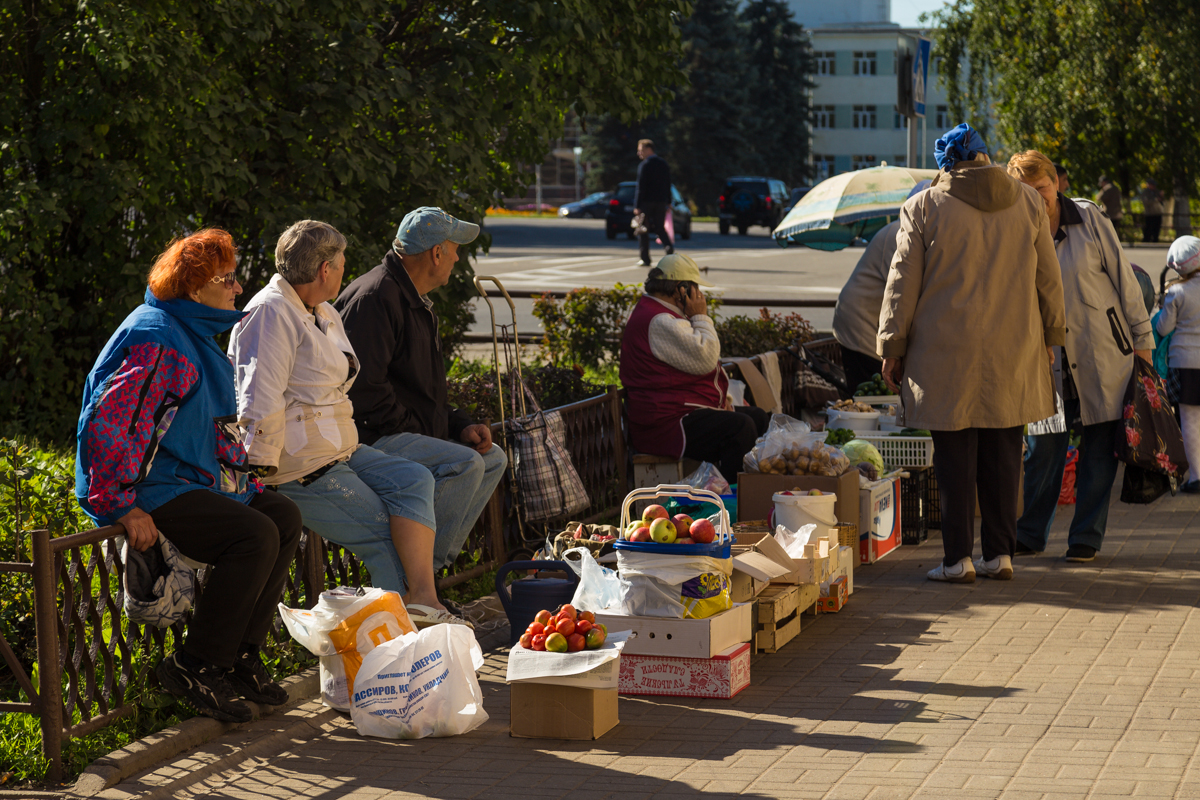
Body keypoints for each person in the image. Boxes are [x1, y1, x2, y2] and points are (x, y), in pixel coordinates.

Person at [75, 230, 303, 723]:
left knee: (281, 515)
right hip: (153, 489)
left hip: (189, 480)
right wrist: (117, 504)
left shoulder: (189, 331)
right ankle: (195, 663)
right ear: (194, 287)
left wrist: (245, 482)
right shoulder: (158, 338)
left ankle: (240, 655)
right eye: (227, 278)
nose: (238, 288)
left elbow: (206, 426)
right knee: (254, 534)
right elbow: (109, 423)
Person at [228, 220, 468, 628]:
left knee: (415, 480)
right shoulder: (270, 314)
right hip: (300, 465)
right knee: (385, 539)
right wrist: (259, 470)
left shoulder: (321, 310)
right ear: (325, 269)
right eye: (341, 263)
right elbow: (258, 395)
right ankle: (400, 650)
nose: (345, 270)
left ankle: (423, 599)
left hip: (340, 448)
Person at [878, 123, 1066, 584]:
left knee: (954, 455)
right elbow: (1049, 277)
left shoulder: (923, 206)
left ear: (947, 164)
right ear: (985, 157)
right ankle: (1000, 555)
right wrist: (1051, 337)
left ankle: (956, 560)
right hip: (1015, 347)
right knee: (1005, 453)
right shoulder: (1028, 202)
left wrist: (892, 346)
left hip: (945, 352)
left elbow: (903, 282)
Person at [334, 208, 507, 585]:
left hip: (399, 428)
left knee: (491, 458)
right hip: (369, 438)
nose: (458, 258)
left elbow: (423, 393)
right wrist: (427, 433)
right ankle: (416, 580)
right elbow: (364, 393)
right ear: (435, 254)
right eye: (455, 248)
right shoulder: (376, 297)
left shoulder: (410, 297)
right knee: (465, 465)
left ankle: (428, 571)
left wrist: (460, 426)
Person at [1007, 150, 1153, 563]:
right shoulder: (1014, 228)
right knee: (1044, 449)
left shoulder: (1089, 219)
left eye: (1042, 188)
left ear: (1057, 183)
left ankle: (1086, 537)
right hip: (1047, 362)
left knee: (1098, 452)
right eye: (1026, 192)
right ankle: (1030, 533)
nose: (1037, 198)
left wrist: (1142, 343)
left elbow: (1126, 281)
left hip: (1102, 355)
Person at [620, 253, 769, 484]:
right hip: (665, 423)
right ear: (681, 289)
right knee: (739, 428)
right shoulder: (659, 320)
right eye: (695, 287)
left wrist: (721, 402)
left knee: (757, 418)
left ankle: (755, 488)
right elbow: (706, 357)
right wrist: (701, 316)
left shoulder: (660, 313)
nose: (699, 294)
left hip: (676, 410)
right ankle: (735, 499)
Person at [832, 181, 931, 390]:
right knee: (871, 395)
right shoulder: (899, 233)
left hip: (871, 322)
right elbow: (902, 290)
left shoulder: (913, 233)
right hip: (861, 326)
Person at [1156, 236, 1200, 492]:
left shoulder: (1177, 292)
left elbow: (1164, 327)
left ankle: (1196, 477)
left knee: (1190, 420)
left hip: (1184, 361)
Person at [633, 139, 674, 267]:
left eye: (640, 150)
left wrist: (637, 206)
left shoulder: (644, 165)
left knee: (643, 229)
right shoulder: (663, 164)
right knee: (660, 228)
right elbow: (668, 184)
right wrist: (668, 201)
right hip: (661, 202)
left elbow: (641, 187)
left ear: (648, 149)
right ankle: (669, 249)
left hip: (646, 202)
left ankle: (645, 259)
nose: (639, 153)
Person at [1141, 179, 1165, 243]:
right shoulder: (1145, 192)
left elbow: (1162, 200)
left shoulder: (1157, 192)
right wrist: (1156, 200)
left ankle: (1155, 239)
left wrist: (1161, 196)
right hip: (1149, 213)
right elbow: (1146, 202)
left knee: (1157, 228)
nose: (1153, 186)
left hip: (1157, 213)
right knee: (1148, 227)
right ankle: (1146, 240)